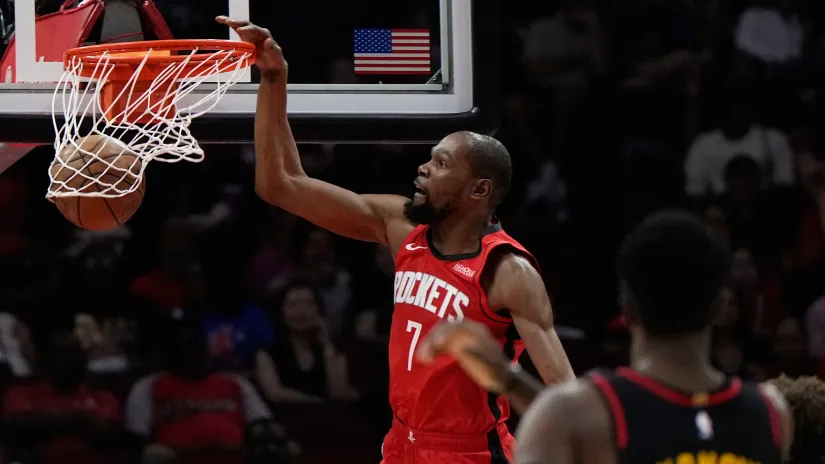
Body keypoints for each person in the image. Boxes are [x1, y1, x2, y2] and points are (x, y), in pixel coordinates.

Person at [215, 15, 575, 464]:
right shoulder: (400, 223)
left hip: (469, 453)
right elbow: (280, 185)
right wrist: (274, 77)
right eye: (429, 159)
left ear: (479, 189)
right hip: (401, 442)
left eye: (441, 163)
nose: (423, 168)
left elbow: (565, 392)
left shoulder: (508, 270)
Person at [417, 211, 793, 464]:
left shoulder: (580, 415)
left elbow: (576, 416)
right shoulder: (772, 413)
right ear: (721, 307)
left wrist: (507, 379)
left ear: (626, 310)